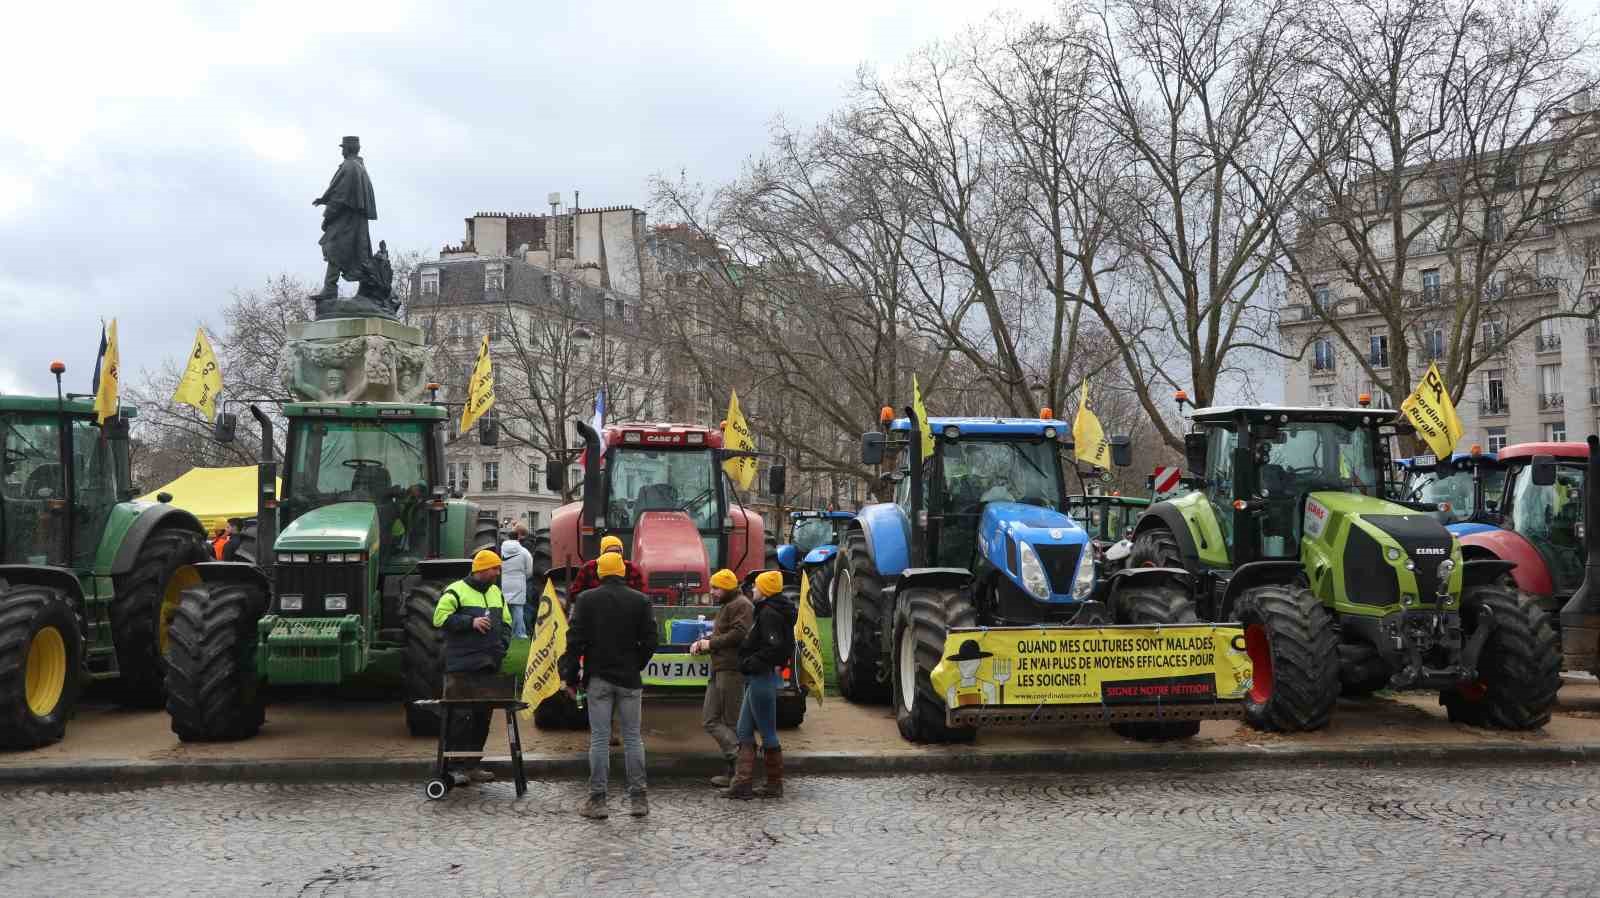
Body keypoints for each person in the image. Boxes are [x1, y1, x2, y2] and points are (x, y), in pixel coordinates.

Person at [560, 551, 658, 820]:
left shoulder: (586, 600)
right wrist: (636, 663)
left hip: (598, 677)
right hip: (629, 678)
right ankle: (639, 799)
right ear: (623, 573)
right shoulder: (640, 600)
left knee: (600, 739)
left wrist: (570, 677)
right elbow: (651, 641)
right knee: (633, 738)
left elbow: (574, 641)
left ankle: (598, 800)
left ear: (600, 573)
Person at [430, 549, 512, 787]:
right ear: (482, 569)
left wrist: (502, 646)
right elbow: (439, 618)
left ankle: (473, 764)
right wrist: (470, 621)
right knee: (460, 718)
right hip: (461, 666)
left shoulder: (496, 592)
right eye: (494, 568)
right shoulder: (456, 590)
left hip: (489, 664)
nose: (498, 573)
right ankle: (454, 767)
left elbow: (507, 621)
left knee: (482, 717)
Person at [722, 570, 796, 800]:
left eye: (755, 587)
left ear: (765, 590)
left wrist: (752, 662)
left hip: (760, 677)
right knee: (744, 730)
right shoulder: (769, 611)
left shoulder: (769, 614)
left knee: (767, 731)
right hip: (757, 676)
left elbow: (774, 647)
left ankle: (774, 784)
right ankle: (743, 783)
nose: (752, 590)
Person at [691, 568, 752, 787]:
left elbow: (739, 634)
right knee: (710, 720)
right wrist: (703, 643)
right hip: (719, 669)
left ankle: (739, 769)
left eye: (716, 588)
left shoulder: (742, 605)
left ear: (726, 587)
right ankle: (738, 758)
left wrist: (710, 643)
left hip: (732, 670)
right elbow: (722, 634)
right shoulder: (729, 605)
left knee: (732, 721)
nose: (713, 592)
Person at [312, 135, 377, 302]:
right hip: (355, 221)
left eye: (343, 148)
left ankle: (331, 288)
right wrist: (324, 199)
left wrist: (328, 215)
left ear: (347, 149)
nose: (342, 151)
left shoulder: (350, 167)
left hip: (347, 220)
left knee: (334, 248)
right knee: (357, 253)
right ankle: (365, 289)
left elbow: (340, 195)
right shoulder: (359, 167)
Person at [568, 534, 645, 595]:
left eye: (617, 552)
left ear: (622, 553)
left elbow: (642, 593)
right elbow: (574, 594)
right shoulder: (589, 568)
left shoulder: (630, 568)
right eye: (609, 552)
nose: (613, 555)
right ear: (602, 553)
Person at [500, 524, 532, 638]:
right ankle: (519, 633)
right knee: (518, 609)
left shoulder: (501, 550)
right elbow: (529, 570)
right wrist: (523, 578)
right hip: (519, 583)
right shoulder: (524, 552)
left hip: (505, 582)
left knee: (505, 609)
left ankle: (505, 632)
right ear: (517, 537)